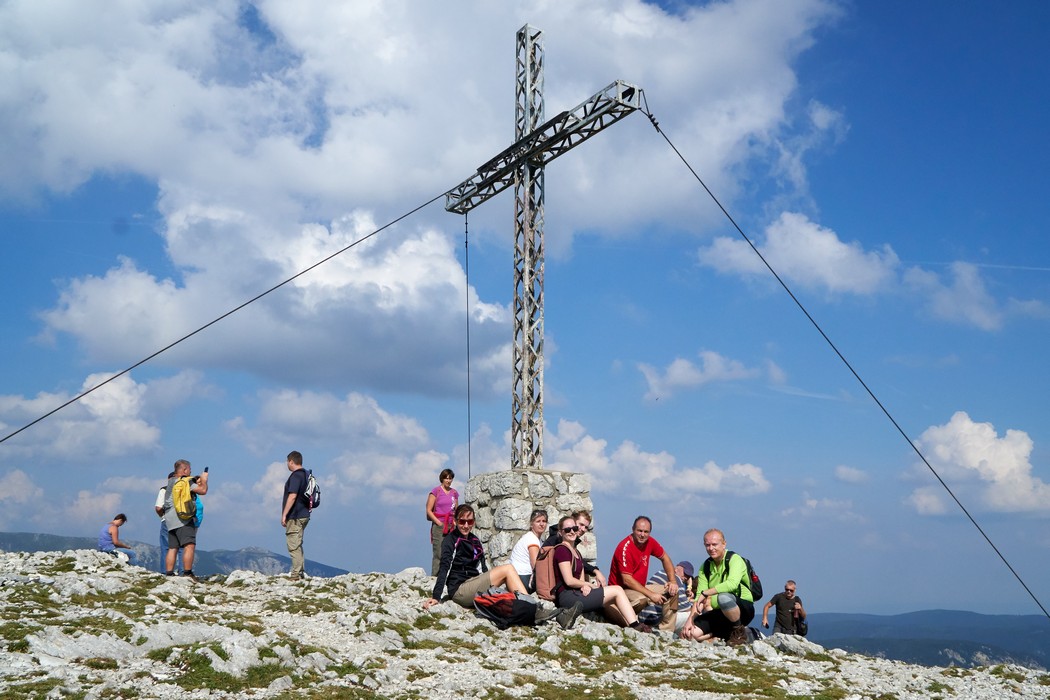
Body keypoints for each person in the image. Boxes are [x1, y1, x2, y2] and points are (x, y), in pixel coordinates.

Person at [551, 516, 651, 633]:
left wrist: (585, 585)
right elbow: (569, 580)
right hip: (568, 598)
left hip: (576, 594)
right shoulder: (562, 550)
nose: (572, 532)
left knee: (613, 595)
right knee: (617, 590)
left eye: (574, 528)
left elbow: (581, 578)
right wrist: (590, 585)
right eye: (568, 530)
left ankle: (633, 623)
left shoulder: (576, 551)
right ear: (561, 532)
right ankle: (635, 625)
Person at [423, 504, 530, 610]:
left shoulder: (475, 540)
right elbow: (444, 568)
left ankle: (527, 605)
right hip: (459, 590)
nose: (466, 526)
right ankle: (529, 603)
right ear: (455, 521)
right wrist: (436, 596)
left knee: (507, 593)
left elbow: (482, 569)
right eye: (462, 521)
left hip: (474, 583)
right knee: (507, 569)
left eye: (469, 522)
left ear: (473, 522)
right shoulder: (450, 540)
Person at [680, 528, 755, 646]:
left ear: (724, 544)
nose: (711, 548)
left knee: (723, 598)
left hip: (742, 610)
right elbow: (699, 597)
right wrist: (690, 620)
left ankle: (738, 632)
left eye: (714, 544)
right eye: (707, 545)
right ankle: (726, 634)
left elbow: (732, 584)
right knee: (689, 634)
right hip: (719, 612)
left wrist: (707, 593)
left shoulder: (735, 559)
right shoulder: (705, 567)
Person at [605, 516, 678, 631]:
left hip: (640, 587)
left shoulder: (650, 542)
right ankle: (624, 617)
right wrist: (651, 595)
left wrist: (672, 581)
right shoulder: (625, 548)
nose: (642, 535)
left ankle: (666, 631)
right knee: (641, 599)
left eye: (646, 532)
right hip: (622, 590)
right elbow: (627, 580)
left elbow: (665, 558)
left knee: (672, 591)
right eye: (639, 531)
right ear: (633, 529)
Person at [161, 459, 208, 579]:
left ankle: (169, 574)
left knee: (173, 547)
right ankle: (187, 573)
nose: (190, 472)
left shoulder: (171, 481)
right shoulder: (186, 481)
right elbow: (203, 491)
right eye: (189, 470)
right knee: (189, 545)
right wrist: (204, 480)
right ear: (185, 469)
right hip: (183, 518)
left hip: (169, 519)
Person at [541, 510, 607, 587]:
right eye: (581, 524)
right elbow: (570, 578)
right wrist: (595, 571)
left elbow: (579, 562)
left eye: (586, 527)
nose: (583, 529)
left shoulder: (569, 542)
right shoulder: (559, 540)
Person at [639, 561, 694, 632]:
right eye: (685, 573)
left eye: (688, 576)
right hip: (654, 619)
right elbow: (686, 608)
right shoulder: (676, 579)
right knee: (692, 615)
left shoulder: (661, 572)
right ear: (676, 568)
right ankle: (668, 632)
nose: (686, 578)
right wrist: (692, 602)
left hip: (642, 615)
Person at [281, 450, 311, 581]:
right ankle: (300, 571)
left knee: (293, 544)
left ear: (291, 461)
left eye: (287, 462)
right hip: (304, 514)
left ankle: (296, 574)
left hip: (295, 515)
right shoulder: (306, 475)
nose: (287, 464)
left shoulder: (296, 476)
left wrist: (284, 514)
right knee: (297, 543)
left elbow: (292, 496)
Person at [425, 468, 459, 576]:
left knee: (450, 552)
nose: (448, 481)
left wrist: (455, 522)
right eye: (446, 478)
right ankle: (435, 577)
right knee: (438, 553)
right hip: (439, 525)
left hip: (451, 526)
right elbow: (428, 510)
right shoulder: (436, 491)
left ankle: (448, 576)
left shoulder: (454, 493)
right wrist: (438, 523)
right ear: (442, 479)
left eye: (450, 478)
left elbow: (456, 510)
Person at [509, 509, 548, 591]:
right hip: (523, 577)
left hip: (519, 576)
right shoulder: (532, 539)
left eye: (544, 521)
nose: (541, 524)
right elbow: (536, 565)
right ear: (531, 524)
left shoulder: (536, 539)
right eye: (538, 521)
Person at [154, 471, 182, 573]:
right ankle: (183, 572)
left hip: (168, 520)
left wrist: (162, 515)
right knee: (182, 547)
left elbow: (158, 508)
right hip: (182, 520)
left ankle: (166, 571)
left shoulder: (164, 490)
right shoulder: (184, 489)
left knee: (166, 547)